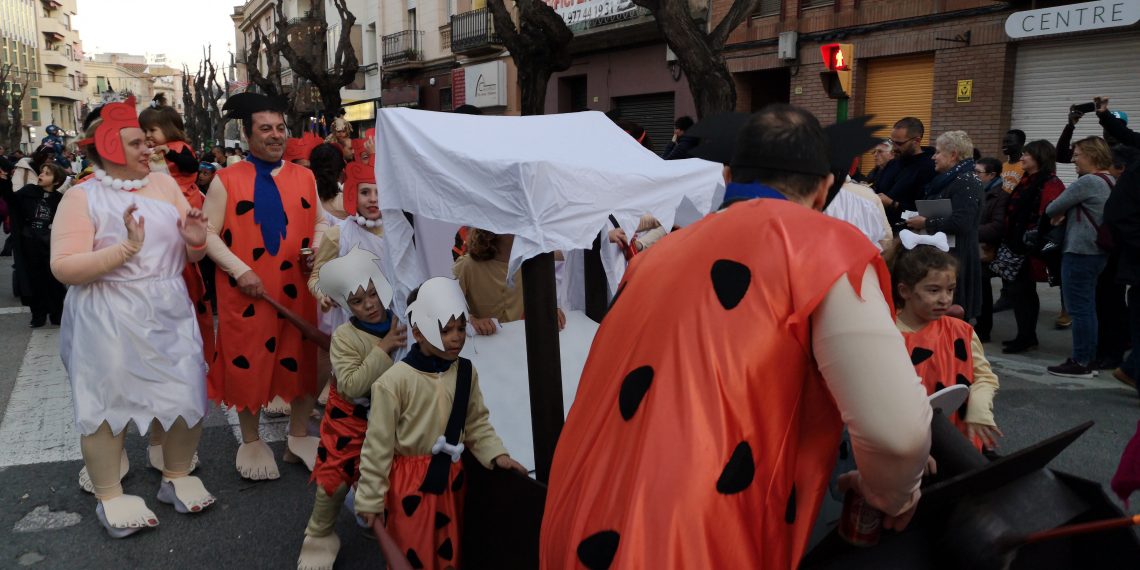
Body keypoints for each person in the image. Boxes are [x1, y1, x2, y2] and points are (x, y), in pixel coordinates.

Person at [541, 104, 932, 569]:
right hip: (696, 539)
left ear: (727, 177)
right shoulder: (825, 249)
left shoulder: (651, 260)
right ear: (824, 187)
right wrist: (892, 492)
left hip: (576, 521)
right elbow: (898, 435)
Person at [50, 97, 215, 537]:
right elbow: (64, 267)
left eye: (147, 140)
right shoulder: (81, 196)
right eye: (137, 142)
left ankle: (177, 475)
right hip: (107, 315)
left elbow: (189, 254)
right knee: (106, 406)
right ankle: (110, 495)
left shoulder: (163, 186)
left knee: (186, 392)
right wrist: (125, 249)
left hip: (168, 310)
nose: (150, 148)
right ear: (107, 147)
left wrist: (196, 241)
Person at [354, 277, 526, 570]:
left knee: (450, 551)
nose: (456, 337)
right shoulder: (393, 382)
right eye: (445, 330)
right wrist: (370, 498)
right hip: (409, 484)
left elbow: (476, 423)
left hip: (451, 480)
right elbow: (378, 446)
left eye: (460, 328)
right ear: (418, 332)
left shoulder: (465, 372)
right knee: (413, 552)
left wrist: (496, 454)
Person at [202, 92, 328, 479]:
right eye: (265, 129)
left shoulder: (305, 176)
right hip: (247, 293)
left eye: (280, 128)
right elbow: (207, 234)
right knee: (248, 361)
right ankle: (251, 440)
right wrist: (240, 270)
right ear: (247, 134)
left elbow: (321, 221)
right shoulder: (225, 180)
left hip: (297, 288)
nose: (275, 135)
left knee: (303, 359)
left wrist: (317, 249)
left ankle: (298, 435)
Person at [297, 249, 406, 570]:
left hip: (393, 413)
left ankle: (381, 513)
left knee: (398, 468)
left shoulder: (400, 318)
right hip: (351, 416)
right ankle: (319, 532)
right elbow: (351, 384)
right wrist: (384, 347)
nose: (370, 304)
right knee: (336, 474)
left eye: (373, 294)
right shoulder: (345, 336)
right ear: (346, 305)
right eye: (358, 301)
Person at [892, 231, 1002, 451]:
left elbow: (984, 377)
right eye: (933, 290)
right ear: (905, 291)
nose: (945, 299)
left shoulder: (961, 331)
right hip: (905, 440)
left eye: (950, 290)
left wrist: (979, 411)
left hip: (957, 437)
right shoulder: (887, 334)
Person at [1043, 137, 1115, 378]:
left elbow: (1051, 208)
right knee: (1088, 307)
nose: (1073, 159)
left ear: (1092, 155)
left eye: (1078, 154)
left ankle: (1081, 361)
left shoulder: (1088, 181)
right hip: (1097, 252)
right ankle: (1088, 359)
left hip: (1080, 251)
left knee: (1079, 309)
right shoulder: (1110, 180)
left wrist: (1061, 211)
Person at [905, 131, 983, 322]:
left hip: (958, 257)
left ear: (953, 154)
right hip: (944, 255)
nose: (934, 157)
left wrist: (926, 222)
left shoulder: (967, 180)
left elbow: (962, 222)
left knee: (953, 318)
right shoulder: (949, 179)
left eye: (938, 152)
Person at [1001, 140, 1066, 354]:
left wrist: (1031, 239)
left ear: (1038, 157)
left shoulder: (1050, 182)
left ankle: (1026, 337)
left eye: (1026, 154)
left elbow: (1050, 216)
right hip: (1017, 245)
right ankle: (1026, 336)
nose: (1021, 158)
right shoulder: (1027, 180)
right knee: (1020, 292)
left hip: (1030, 248)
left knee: (1023, 292)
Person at [452, 228, 566, 335]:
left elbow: (537, 301)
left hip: (514, 341)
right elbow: (448, 306)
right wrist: (471, 320)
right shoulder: (468, 265)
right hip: (479, 343)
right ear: (493, 231)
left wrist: (547, 309)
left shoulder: (531, 262)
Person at [10, 163, 68, 327]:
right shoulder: (28, 191)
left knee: (54, 280)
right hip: (29, 243)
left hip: (50, 245)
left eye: (47, 173)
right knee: (33, 280)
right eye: (42, 172)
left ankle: (57, 314)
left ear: (56, 181)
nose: (41, 175)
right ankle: (38, 315)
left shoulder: (60, 199)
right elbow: (12, 201)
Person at [875, 117, 937, 226]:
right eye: (892, 142)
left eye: (899, 143)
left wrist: (893, 204)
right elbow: (878, 189)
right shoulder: (892, 163)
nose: (893, 148)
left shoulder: (930, 168)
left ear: (916, 141)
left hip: (907, 232)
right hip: (881, 227)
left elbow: (924, 213)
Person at [975, 157, 1009, 342]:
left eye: (978, 172)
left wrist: (970, 230)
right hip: (973, 246)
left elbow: (997, 227)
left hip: (985, 249)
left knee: (982, 288)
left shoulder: (1000, 196)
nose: (974, 176)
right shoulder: (976, 191)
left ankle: (983, 329)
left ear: (992, 175)